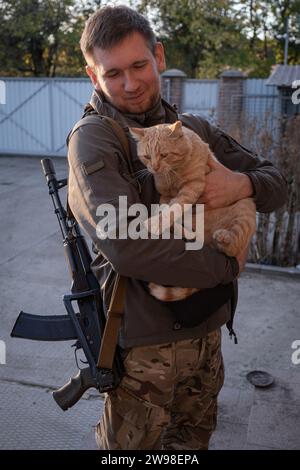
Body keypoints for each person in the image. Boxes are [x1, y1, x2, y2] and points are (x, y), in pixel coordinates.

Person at [67, 5, 287, 450]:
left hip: (206, 337)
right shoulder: (96, 138)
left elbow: (277, 184)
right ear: (94, 76)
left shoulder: (191, 128)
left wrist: (238, 184)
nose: (130, 84)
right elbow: (128, 245)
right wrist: (225, 267)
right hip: (143, 356)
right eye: (112, 74)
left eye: (139, 65)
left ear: (159, 57)